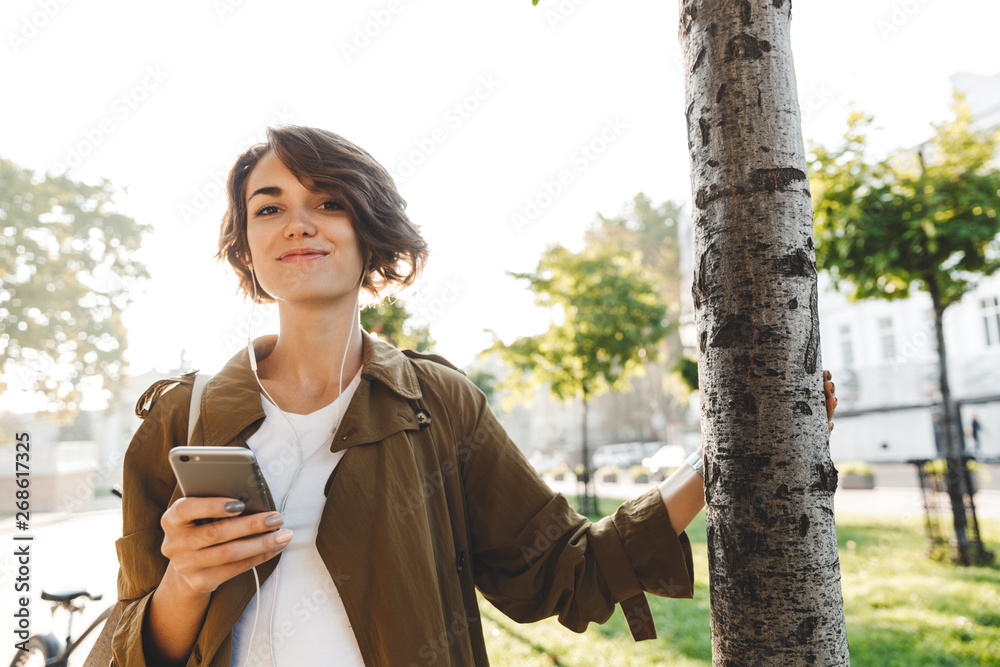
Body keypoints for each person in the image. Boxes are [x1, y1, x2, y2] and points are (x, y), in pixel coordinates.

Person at [110, 126, 839, 667]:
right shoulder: (181, 420)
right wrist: (187, 581)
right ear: (246, 248)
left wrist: (723, 459)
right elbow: (134, 642)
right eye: (268, 208)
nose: (298, 222)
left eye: (326, 201)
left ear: (369, 232)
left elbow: (566, 568)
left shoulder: (439, 402)